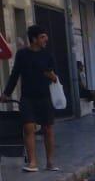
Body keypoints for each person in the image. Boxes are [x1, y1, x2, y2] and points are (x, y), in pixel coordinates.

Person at [0, 25, 59, 172]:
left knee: (48, 129)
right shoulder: (22, 55)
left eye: (45, 36)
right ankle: (33, 162)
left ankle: (50, 162)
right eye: (42, 37)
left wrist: (50, 75)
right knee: (28, 127)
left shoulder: (48, 55)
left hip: (45, 97)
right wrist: (6, 93)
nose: (46, 39)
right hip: (27, 97)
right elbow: (15, 75)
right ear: (34, 39)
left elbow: (55, 77)